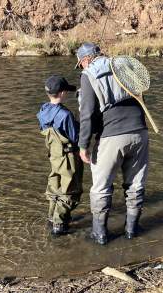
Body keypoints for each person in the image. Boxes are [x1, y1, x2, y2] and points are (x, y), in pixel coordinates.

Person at [76, 42, 149, 245]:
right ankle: (132, 231)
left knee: (101, 188)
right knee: (135, 185)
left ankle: (99, 235)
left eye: (81, 64)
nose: (82, 68)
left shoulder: (88, 74)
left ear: (85, 60)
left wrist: (84, 145)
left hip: (111, 135)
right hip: (140, 132)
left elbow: (87, 114)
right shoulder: (124, 65)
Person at [37, 75, 84, 236]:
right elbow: (75, 138)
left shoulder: (43, 110)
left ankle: (52, 217)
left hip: (54, 155)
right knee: (71, 190)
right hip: (68, 156)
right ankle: (59, 224)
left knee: (55, 184)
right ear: (62, 93)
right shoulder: (65, 115)